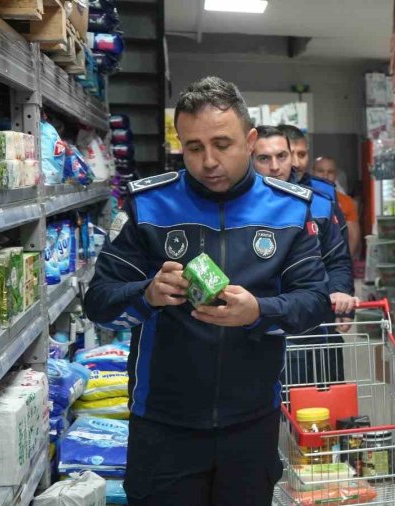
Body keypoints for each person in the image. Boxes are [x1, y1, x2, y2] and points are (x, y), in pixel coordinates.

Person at [84, 76, 331, 505]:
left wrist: (259, 310)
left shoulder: (290, 209)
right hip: (163, 424)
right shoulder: (147, 205)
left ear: (250, 140)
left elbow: (314, 302)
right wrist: (147, 294)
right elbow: (100, 302)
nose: (208, 161)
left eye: (223, 144)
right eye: (194, 147)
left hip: (251, 423)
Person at [251, 126, 357, 381]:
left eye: (282, 156)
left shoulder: (318, 202)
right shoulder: (237, 205)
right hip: (255, 327)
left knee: (320, 410)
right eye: (264, 158)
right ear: (250, 158)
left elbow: (337, 258)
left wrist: (341, 291)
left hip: (312, 326)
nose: (275, 166)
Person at [277, 125, 354, 330]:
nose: (295, 162)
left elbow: (338, 255)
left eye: (301, 155)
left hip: (318, 310)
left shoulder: (323, 195)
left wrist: (343, 299)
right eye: (287, 155)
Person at [313, 156, 362, 260]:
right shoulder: (302, 199)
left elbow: (353, 238)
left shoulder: (347, 202)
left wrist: (345, 263)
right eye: (320, 171)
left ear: (335, 176)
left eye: (330, 172)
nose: (325, 176)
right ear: (312, 173)